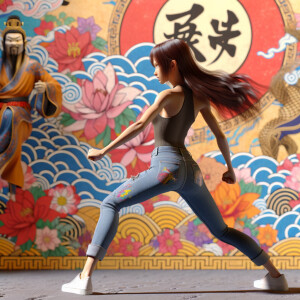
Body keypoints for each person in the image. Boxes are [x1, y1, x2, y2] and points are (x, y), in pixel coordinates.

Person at [62, 39, 288, 295]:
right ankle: (276, 276)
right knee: (222, 230)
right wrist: (230, 168)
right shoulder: (199, 98)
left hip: (165, 170)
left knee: (110, 204)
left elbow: (139, 126)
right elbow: (220, 136)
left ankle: (84, 278)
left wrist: (103, 151)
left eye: (156, 66)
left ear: (172, 65)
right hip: (191, 174)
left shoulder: (168, 95)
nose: (154, 72)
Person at [0, 16, 62, 200]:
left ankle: (12, 191)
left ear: (23, 42)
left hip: (21, 115)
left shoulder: (32, 66)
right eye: (9, 40)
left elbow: (54, 84)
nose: (13, 44)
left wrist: (46, 88)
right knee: (8, 116)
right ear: (4, 43)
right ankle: (11, 192)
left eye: (16, 40)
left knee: (11, 116)